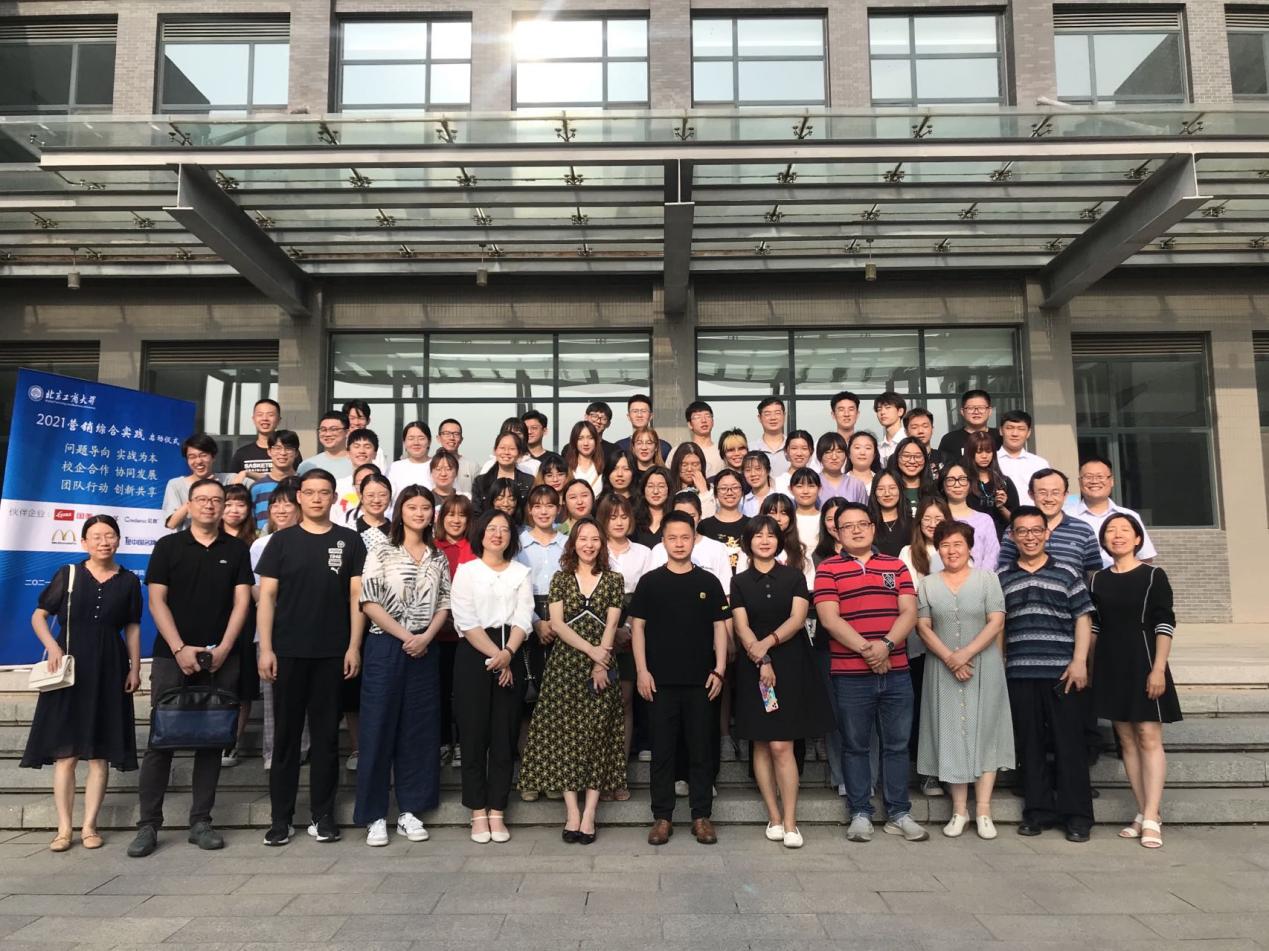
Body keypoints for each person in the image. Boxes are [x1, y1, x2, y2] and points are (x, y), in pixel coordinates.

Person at [129, 479, 253, 857]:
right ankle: (148, 825)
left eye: (217, 500)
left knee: (211, 740)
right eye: (202, 499)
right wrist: (179, 648)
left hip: (220, 657)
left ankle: (201, 821)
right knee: (160, 741)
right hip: (172, 656)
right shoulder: (168, 546)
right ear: (190, 504)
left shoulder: (236, 549)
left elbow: (242, 602)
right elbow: (157, 601)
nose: (209, 505)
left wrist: (225, 648)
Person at [256, 468, 367, 847]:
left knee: (325, 740)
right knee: (286, 739)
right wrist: (266, 648)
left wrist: (353, 646)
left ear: (334, 498)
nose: (317, 498)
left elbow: (357, 597)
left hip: (332, 654)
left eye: (324, 492)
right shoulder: (281, 541)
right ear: (299, 497)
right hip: (287, 653)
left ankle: (323, 815)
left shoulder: (349, 540)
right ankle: (281, 819)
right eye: (310, 492)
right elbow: (267, 597)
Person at [22, 515, 141, 852]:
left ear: (118, 540)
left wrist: (134, 668)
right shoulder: (69, 574)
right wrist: (53, 646)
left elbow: (132, 626)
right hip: (70, 669)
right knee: (67, 754)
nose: (104, 541)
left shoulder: (129, 581)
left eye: (110, 535)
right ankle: (64, 829)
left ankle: (90, 826)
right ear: (84, 542)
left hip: (110, 667)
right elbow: (39, 615)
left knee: (100, 754)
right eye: (97, 536)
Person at [814, 502, 926, 843]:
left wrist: (886, 646)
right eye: (848, 526)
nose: (856, 530)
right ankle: (860, 812)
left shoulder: (896, 566)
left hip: (896, 671)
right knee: (855, 745)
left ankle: (899, 813)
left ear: (873, 527)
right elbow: (829, 619)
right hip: (850, 674)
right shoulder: (828, 569)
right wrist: (870, 650)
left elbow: (909, 612)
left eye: (862, 524)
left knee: (896, 745)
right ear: (837, 532)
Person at [519, 519, 626, 843]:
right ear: (573, 543)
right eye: (583, 539)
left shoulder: (614, 579)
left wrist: (600, 661)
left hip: (602, 664)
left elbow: (612, 624)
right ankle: (572, 813)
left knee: (597, 737)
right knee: (565, 738)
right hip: (565, 666)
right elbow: (558, 624)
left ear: (601, 544)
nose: (589, 545)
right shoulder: (561, 578)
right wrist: (591, 652)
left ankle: (590, 813)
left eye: (595, 539)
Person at [355, 484, 451, 847]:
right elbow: (369, 601)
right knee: (378, 727)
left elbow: (444, 603)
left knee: (419, 730)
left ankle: (411, 810)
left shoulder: (437, 556)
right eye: (412, 507)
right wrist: (406, 636)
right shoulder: (381, 550)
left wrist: (425, 638)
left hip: (425, 649)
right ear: (400, 512)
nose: (420, 513)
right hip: (385, 645)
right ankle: (375, 815)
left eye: (426, 507)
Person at [731, 516, 834, 849]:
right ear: (748, 542)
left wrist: (768, 644)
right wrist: (761, 658)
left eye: (771, 535)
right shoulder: (739, 581)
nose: (765, 540)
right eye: (758, 535)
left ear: (779, 540)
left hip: (790, 663)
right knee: (761, 743)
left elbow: (798, 618)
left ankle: (791, 821)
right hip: (753, 665)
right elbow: (741, 625)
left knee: (782, 744)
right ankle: (774, 817)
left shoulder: (794, 576)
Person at [631, 511, 730, 846]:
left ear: (693, 540)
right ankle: (663, 817)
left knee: (701, 749)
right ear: (663, 541)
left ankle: (701, 816)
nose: (678, 543)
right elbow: (638, 629)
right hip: (659, 682)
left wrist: (719, 668)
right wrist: (642, 670)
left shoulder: (708, 582)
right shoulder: (650, 582)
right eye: (672, 537)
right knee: (662, 751)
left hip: (702, 681)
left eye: (684, 537)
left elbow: (720, 628)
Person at [999, 506, 1096, 842]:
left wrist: (1080, 661)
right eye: (1022, 531)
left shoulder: (1067, 573)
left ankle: (1077, 816)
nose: (1030, 537)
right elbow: (999, 626)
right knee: (1030, 744)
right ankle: (1037, 811)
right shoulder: (1002, 577)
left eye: (1036, 530)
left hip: (1062, 673)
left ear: (1047, 533)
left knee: (1070, 745)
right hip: (1020, 672)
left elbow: (1083, 618)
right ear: (1012, 536)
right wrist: (1000, 664)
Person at [915, 521, 1012, 840]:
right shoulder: (928, 584)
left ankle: (983, 810)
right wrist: (950, 657)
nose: (951, 550)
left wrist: (966, 653)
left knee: (986, 732)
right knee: (951, 734)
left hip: (983, 665)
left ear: (969, 547)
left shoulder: (988, 579)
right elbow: (923, 626)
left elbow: (996, 621)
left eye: (957, 544)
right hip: (941, 667)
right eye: (944, 545)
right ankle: (959, 810)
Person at [1090, 512, 1180, 849]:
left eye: (1124, 530)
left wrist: (1158, 668)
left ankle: (1153, 815)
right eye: (1110, 531)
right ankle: (1143, 812)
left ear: (1138, 538)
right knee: (1126, 740)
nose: (1117, 535)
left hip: (1144, 660)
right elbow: (1095, 626)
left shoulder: (1153, 575)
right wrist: (1089, 666)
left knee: (1148, 736)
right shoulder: (1098, 580)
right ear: (1103, 540)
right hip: (1111, 663)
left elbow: (1164, 623)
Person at [449, 509, 533, 844]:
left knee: (504, 735)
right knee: (473, 735)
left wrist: (508, 654)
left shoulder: (521, 573)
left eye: (504, 529)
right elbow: (465, 620)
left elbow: (524, 616)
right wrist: (497, 657)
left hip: (510, 650)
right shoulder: (467, 571)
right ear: (480, 533)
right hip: (474, 655)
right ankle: (477, 811)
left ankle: (497, 809)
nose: (497, 534)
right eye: (491, 529)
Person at [597, 492, 652, 798]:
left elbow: (645, 595)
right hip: (597, 628)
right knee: (600, 702)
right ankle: (599, 775)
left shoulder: (643, 552)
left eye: (623, 516)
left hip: (634, 627)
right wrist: (610, 629)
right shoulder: (594, 546)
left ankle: (619, 774)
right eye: (612, 517)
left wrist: (627, 628)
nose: (618, 522)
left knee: (625, 700)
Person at [251, 479, 307, 773]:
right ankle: (274, 751)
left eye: (288, 504)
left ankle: (303, 747)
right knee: (274, 697)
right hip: (272, 628)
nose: (281, 509)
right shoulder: (261, 544)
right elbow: (257, 590)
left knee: (304, 694)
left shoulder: (310, 539)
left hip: (307, 628)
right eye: (275, 504)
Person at [515, 484, 567, 801]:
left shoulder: (568, 542)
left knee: (558, 703)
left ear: (558, 509)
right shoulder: (519, 544)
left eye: (550, 505)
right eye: (538, 505)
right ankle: (531, 775)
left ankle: (556, 773)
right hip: (527, 617)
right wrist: (536, 621)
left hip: (563, 618)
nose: (544, 511)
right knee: (528, 701)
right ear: (530, 510)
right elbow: (515, 587)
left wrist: (557, 623)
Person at [899, 496, 952, 798]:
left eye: (938, 518)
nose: (932, 524)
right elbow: (911, 595)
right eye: (927, 519)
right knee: (924, 707)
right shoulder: (908, 552)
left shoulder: (957, 549)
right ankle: (927, 773)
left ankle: (953, 769)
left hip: (954, 641)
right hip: (920, 641)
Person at [219, 484, 260, 768]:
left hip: (246, 619)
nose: (234, 510)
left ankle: (232, 741)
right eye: (229, 503)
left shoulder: (255, 542)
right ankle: (211, 736)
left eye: (240, 504)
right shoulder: (210, 538)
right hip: (213, 618)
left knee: (242, 683)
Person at [435, 493, 476, 767]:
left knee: (464, 693)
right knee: (439, 691)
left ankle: (462, 743)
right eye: (451, 514)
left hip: (467, 634)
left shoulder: (475, 547)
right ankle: (442, 742)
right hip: (436, 633)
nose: (456, 520)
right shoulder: (432, 547)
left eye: (462, 515)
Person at [811, 497, 848, 795]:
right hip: (827, 641)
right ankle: (841, 775)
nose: (836, 524)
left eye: (841, 517)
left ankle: (866, 776)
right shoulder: (816, 557)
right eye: (830, 518)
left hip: (865, 641)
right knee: (836, 712)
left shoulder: (872, 553)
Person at [998, 469, 1102, 576]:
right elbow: (1004, 571)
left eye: (1055, 492)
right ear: (1031, 494)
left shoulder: (1083, 530)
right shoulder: (1016, 529)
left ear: (1065, 495)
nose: (1049, 498)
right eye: (1042, 492)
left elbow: (1093, 574)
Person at [1065, 456, 1157, 568]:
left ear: (1111, 481)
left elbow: (1145, 557)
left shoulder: (1129, 516)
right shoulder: (1066, 517)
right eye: (1088, 477)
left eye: (1100, 476)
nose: (1094, 481)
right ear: (1080, 481)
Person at [162, 433, 231, 531]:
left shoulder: (228, 479)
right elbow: (171, 524)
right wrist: (199, 492)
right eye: (192, 457)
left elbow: (255, 482)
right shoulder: (176, 485)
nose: (198, 461)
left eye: (203, 455)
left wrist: (245, 473)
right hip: (187, 540)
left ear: (213, 457)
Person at [940, 463, 1000, 571]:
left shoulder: (984, 520)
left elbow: (992, 555)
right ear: (942, 485)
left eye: (962, 479)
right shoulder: (937, 519)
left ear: (970, 484)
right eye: (950, 480)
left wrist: (978, 578)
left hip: (980, 579)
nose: (957, 485)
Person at [964, 431, 1018, 540]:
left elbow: (1016, 521)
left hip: (1001, 540)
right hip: (971, 539)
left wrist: (1001, 507)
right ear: (970, 453)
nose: (984, 456)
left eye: (988, 451)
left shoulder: (1004, 482)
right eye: (979, 452)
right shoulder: (963, 482)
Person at [697, 468, 747, 574]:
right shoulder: (704, 526)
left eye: (735, 487)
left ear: (742, 492)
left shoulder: (751, 525)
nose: (729, 492)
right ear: (715, 493)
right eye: (723, 488)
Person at [249, 429, 300, 530]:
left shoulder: (303, 485)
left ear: (296, 453)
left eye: (288, 448)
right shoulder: (256, 488)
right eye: (277, 448)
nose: (283, 453)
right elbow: (251, 523)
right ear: (269, 451)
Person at [472, 432, 534, 513]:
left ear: (519, 453)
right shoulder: (481, 482)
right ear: (495, 450)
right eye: (502, 448)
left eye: (512, 449)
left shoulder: (528, 481)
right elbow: (476, 512)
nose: (506, 452)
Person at [996, 410, 1049, 506]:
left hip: (1033, 514)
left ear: (1028, 433)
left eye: (1021, 429)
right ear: (1001, 430)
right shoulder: (991, 461)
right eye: (1009, 428)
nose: (1015, 433)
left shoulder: (1040, 464)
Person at [936, 389, 1002, 462]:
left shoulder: (1000, 437)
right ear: (962, 411)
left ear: (989, 411)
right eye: (970, 408)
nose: (976, 412)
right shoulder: (950, 439)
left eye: (981, 408)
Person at [231, 398, 287, 479]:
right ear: (253, 419)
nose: (265, 418)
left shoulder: (288, 452)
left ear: (279, 420)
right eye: (260, 414)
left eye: (270, 415)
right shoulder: (241, 454)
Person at [334, 433, 381, 523]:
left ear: (375, 453)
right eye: (356, 446)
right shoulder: (338, 485)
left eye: (367, 447)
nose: (361, 451)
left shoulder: (385, 485)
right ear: (348, 453)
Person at [887, 436, 937, 518]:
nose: (912, 461)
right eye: (906, 456)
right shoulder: (887, 492)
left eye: (918, 456)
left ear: (925, 459)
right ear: (897, 458)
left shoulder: (934, 491)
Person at [298, 411, 354, 481]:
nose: (328, 434)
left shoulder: (358, 461)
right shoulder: (307, 465)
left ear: (347, 432)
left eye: (333, 429)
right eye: (323, 429)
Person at [868, 470, 911, 558]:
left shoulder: (913, 524)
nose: (887, 494)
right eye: (881, 489)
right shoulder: (867, 524)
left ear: (900, 490)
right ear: (874, 492)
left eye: (892, 488)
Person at [816, 432, 867, 506]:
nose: (834, 457)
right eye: (828, 452)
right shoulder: (813, 483)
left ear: (846, 455)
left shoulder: (856, 485)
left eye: (839, 452)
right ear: (819, 455)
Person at [387, 421, 434, 501]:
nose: (416, 443)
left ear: (429, 442)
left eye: (421, 438)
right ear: (404, 443)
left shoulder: (438, 465)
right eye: (411, 438)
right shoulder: (395, 467)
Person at [616, 394, 672, 460]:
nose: (639, 415)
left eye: (643, 411)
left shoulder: (664, 447)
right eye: (635, 411)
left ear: (651, 416)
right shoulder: (619, 446)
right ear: (628, 416)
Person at [342, 399, 390, 471]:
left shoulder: (376, 450)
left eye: (361, 418)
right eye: (352, 418)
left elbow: (381, 473)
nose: (356, 422)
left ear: (368, 420)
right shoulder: (338, 446)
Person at [670, 442, 716, 518]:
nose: (689, 469)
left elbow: (710, 519)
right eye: (684, 465)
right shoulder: (668, 489)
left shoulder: (712, 490)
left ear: (702, 466)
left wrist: (704, 491)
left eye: (695, 464)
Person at [904, 408, 949, 484]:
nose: (920, 431)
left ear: (932, 429)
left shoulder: (945, 459)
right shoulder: (898, 459)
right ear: (906, 432)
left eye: (925, 426)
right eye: (914, 427)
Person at [436, 418, 479, 497]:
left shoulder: (472, 465)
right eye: (447, 433)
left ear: (461, 439)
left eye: (456, 434)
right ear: (438, 438)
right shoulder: (432, 463)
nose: (451, 438)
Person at [635, 466, 675, 546]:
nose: (655, 491)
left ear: (669, 489)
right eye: (650, 486)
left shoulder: (675, 518)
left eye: (661, 486)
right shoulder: (633, 519)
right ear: (643, 489)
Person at [749, 397, 790, 477]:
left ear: (784, 415)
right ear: (759, 418)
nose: (773, 418)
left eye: (777, 413)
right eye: (767, 414)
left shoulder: (795, 448)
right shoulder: (750, 449)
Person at [563, 420, 605, 494]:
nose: (586, 443)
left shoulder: (604, 468)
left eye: (590, 438)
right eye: (580, 438)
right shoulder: (566, 468)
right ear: (574, 441)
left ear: (596, 440)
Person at [351, 473, 392, 546]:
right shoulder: (349, 529)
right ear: (361, 497)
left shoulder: (399, 531)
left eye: (382, 495)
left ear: (390, 497)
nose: (376, 500)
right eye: (370, 495)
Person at [773, 430, 819, 495]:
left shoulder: (817, 479)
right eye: (794, 448)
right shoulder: (778, 483)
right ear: (786, 451)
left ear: (811, 451)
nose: (799, 453)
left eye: (804, 448)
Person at [685, 400, 723, 476]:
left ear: (713, 422)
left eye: (708, 416)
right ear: (690, 424)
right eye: (697, 417)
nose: (704, 420)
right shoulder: (679, 451)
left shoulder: (722, 451)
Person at [874, 392, 907, 466]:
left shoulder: (910, 442)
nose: (882, 412)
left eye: (888, 407)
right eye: (879, 409)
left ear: (900, 411)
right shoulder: (878, 448)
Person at [585, 401, 622, 467]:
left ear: (608, 424)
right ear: (586, 417)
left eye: (603, 418)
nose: (598, 421)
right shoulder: (571, 448)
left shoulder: (614, 450)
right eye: (594, 416)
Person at [740, 450, 775, 516]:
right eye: (748, 470)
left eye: (758, 469)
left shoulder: (779, 499)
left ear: (768, 470)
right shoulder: (741, 503)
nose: (753, 474)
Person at [846, 431, 881, 498]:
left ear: (874, 455)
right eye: (857, 447)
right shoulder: (841, 482)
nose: (862, 452)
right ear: (849, 453)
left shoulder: (881, 481)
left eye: (868, 448)